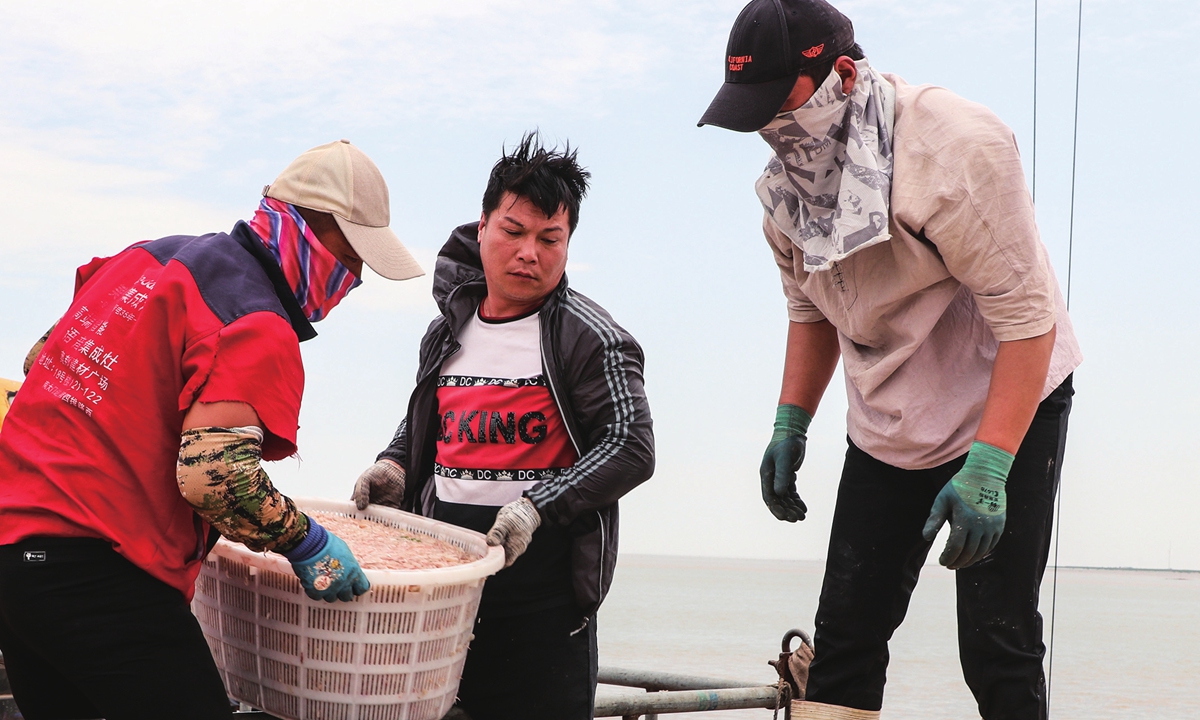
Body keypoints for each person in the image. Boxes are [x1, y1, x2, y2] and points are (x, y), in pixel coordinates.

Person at [698, 2, 1082, 719]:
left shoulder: (955, 147)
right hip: (890, 414)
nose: (771, 130)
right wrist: (790, 422)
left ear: (843, 76)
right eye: (755, 115)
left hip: (1002, 393)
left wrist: (991, 466)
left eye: (779, 104)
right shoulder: (785, 198)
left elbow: (1028, 324)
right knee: (845, 638)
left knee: (997, 639)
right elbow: (811, 310)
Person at [0, 140, 424, 720]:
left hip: (13, 557)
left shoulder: (146, 260)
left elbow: (41, 359)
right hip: (98, 571)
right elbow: (215, 477)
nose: (351, 280)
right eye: (349, 258)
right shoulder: (254, 319)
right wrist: (307, 542)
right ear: (306, 229)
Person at [352, 133, 654, 720]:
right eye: (513, 231)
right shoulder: (447, 329)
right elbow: (431, 418)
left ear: (568, 244)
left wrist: (537, 506)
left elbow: (631, 447)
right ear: (484, 225)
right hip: (444, 597)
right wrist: (395, 463)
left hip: (546, 609)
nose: (528, 253)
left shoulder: (591, 338)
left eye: (550, 239)